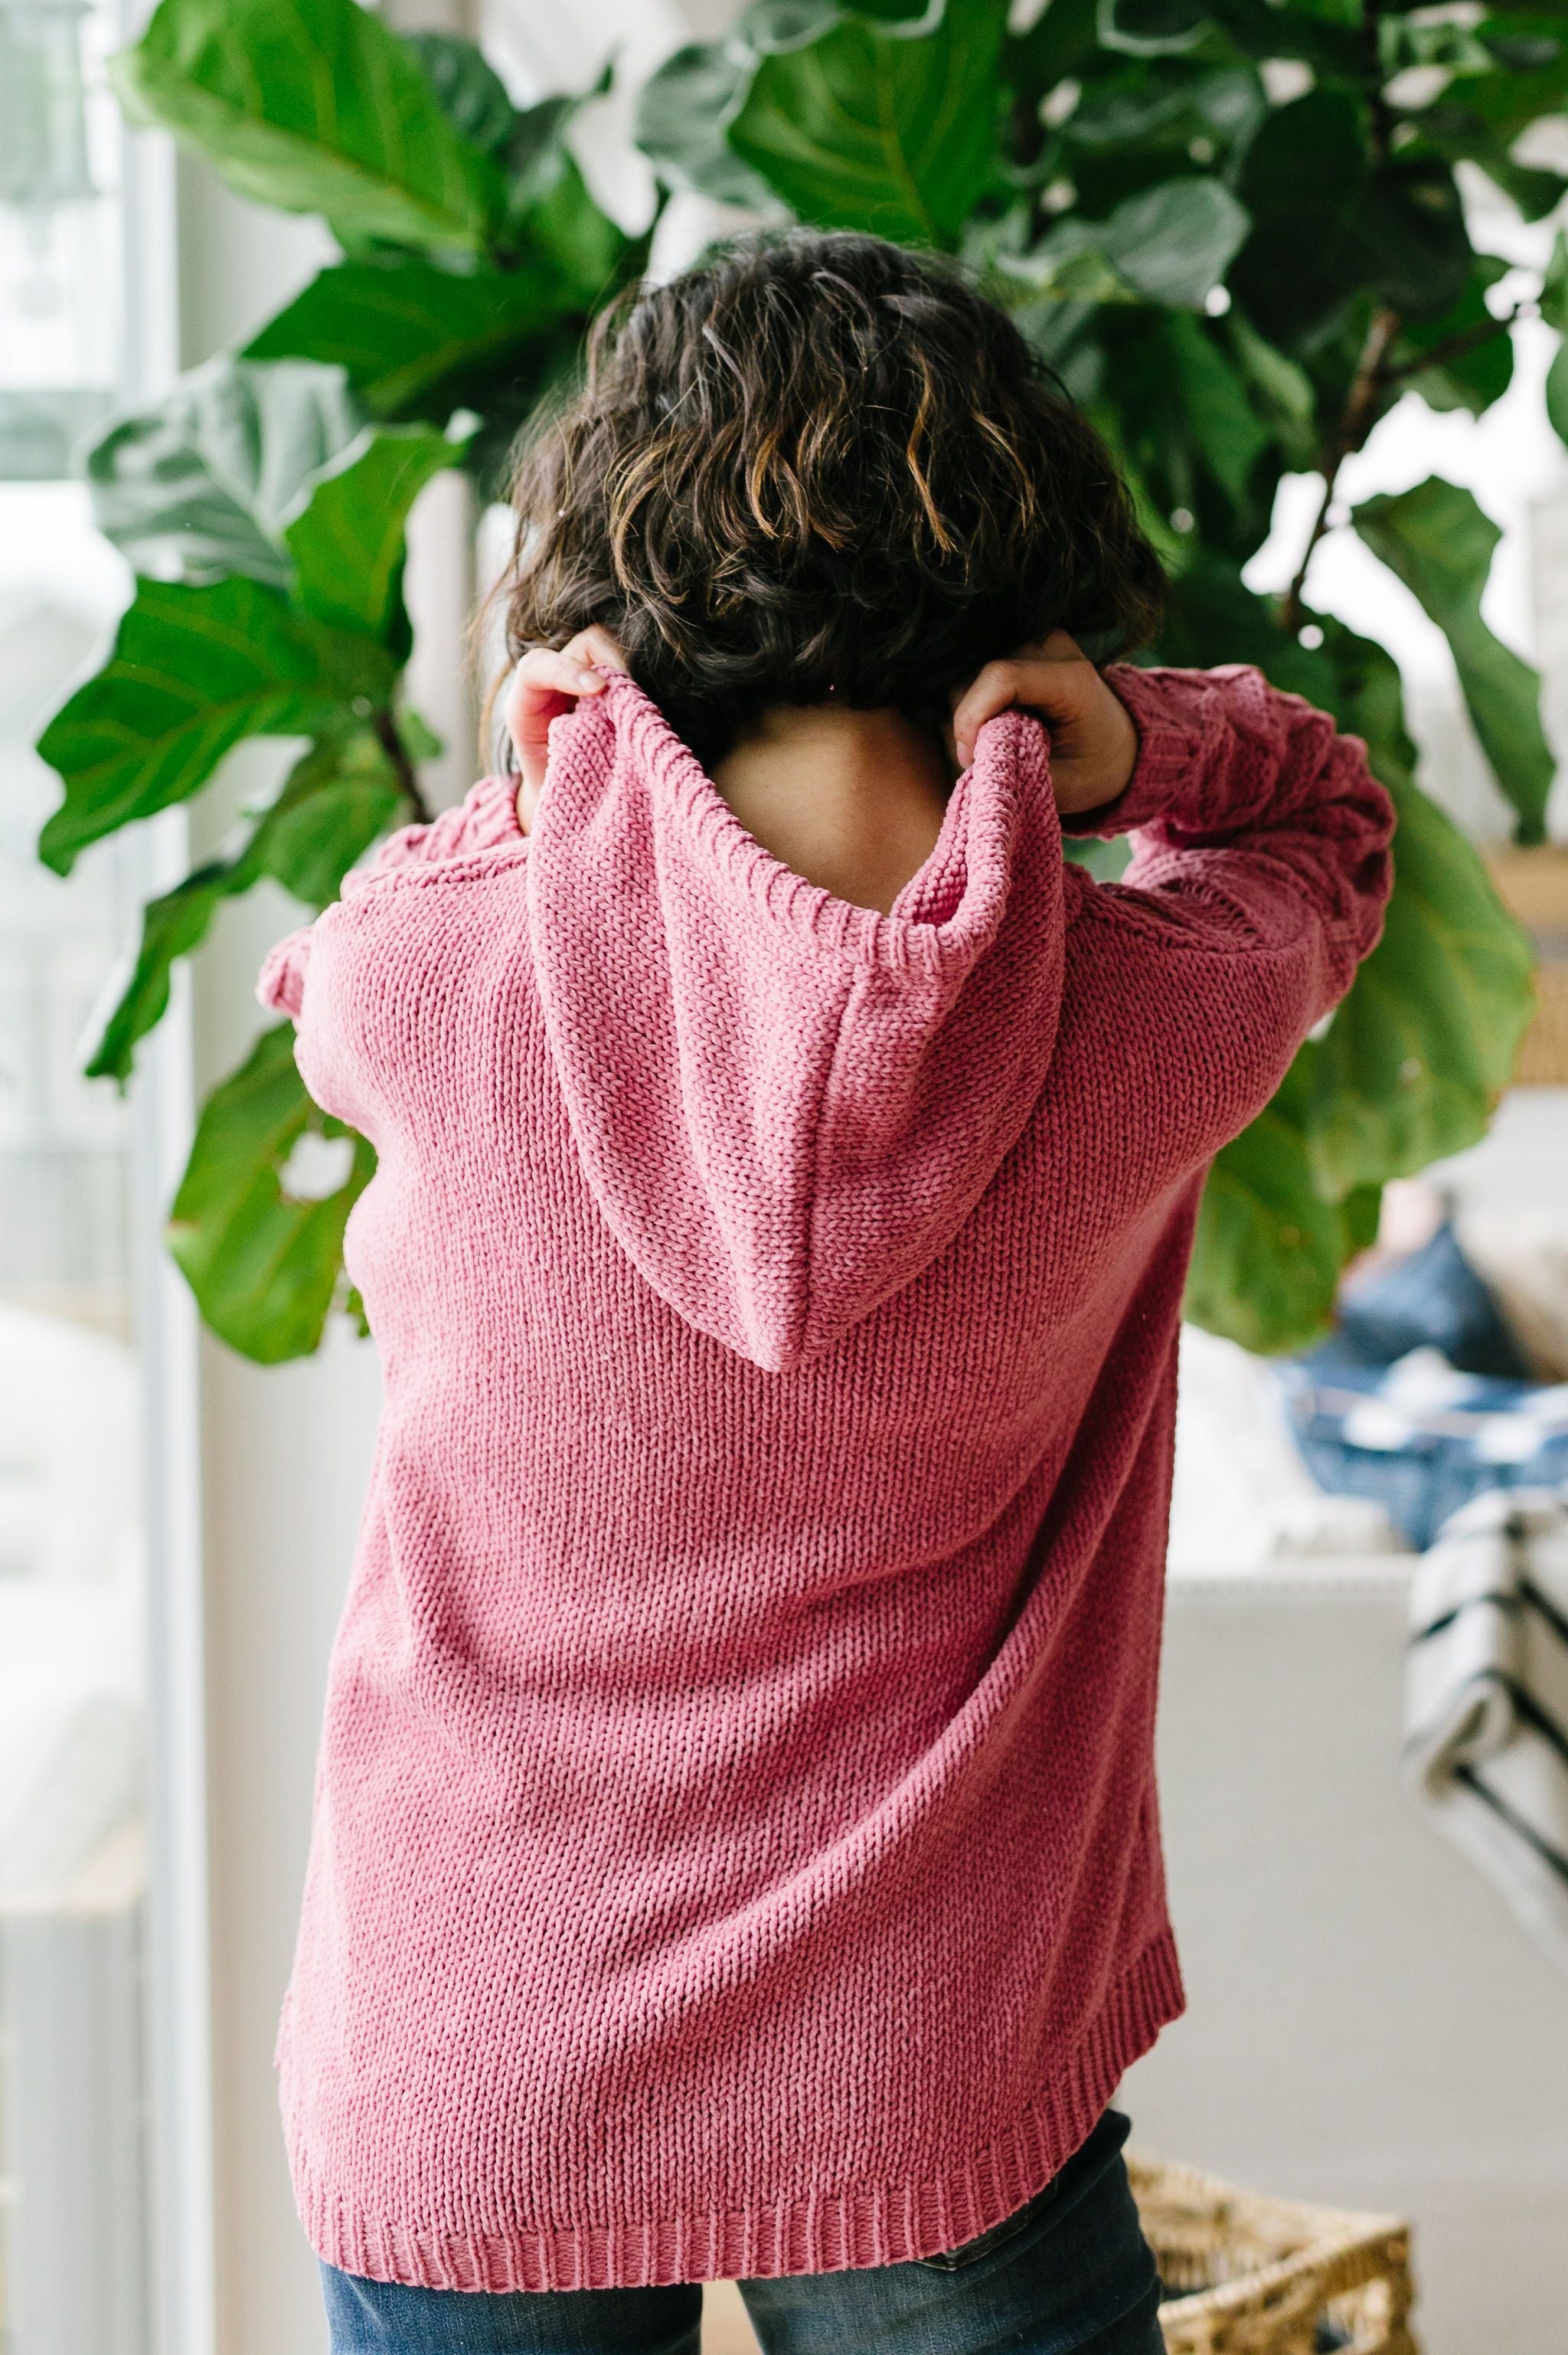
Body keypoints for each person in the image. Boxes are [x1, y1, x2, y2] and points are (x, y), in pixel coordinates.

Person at [259, 231, 1393, 2355]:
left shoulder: (430, 983)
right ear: (1018, 585)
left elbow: (328, 957)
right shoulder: (1148, 1008)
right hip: (927, 2070)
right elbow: (1329, 818)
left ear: (610, 585)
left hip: (478, 2054)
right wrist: (1135, 747)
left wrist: (556, 763)